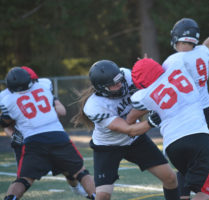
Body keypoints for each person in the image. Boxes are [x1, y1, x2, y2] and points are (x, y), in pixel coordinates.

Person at [71, 60, 179, 200]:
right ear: (102, 88)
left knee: (170, 178)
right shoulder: (95, 106)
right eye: (114, 85)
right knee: (103, 195)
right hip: (108, 146)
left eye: (120, 80)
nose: (120, 85)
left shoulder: (126, 76)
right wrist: (152, 121)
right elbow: (129, 129)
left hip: (135, 141)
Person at [162, 14, 209, 199]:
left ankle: (185, 195)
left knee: (188, 162)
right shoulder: (201, 53)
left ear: (175, 37)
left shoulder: (172, 61)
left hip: (190, 115)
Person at [127, 58, 209, 200]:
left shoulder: (143, 95)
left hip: (173, 146)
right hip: (199, 137)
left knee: (189, 185)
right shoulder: (178, 66)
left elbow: (131, 117)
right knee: (206, 192)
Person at [0, 67, 96, 200]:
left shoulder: (7, 100)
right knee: (81, 172)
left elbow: (5, 122)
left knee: (24, 180)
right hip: (57, 135)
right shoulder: (44, 86)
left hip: (32, 141)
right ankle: (96, 196)